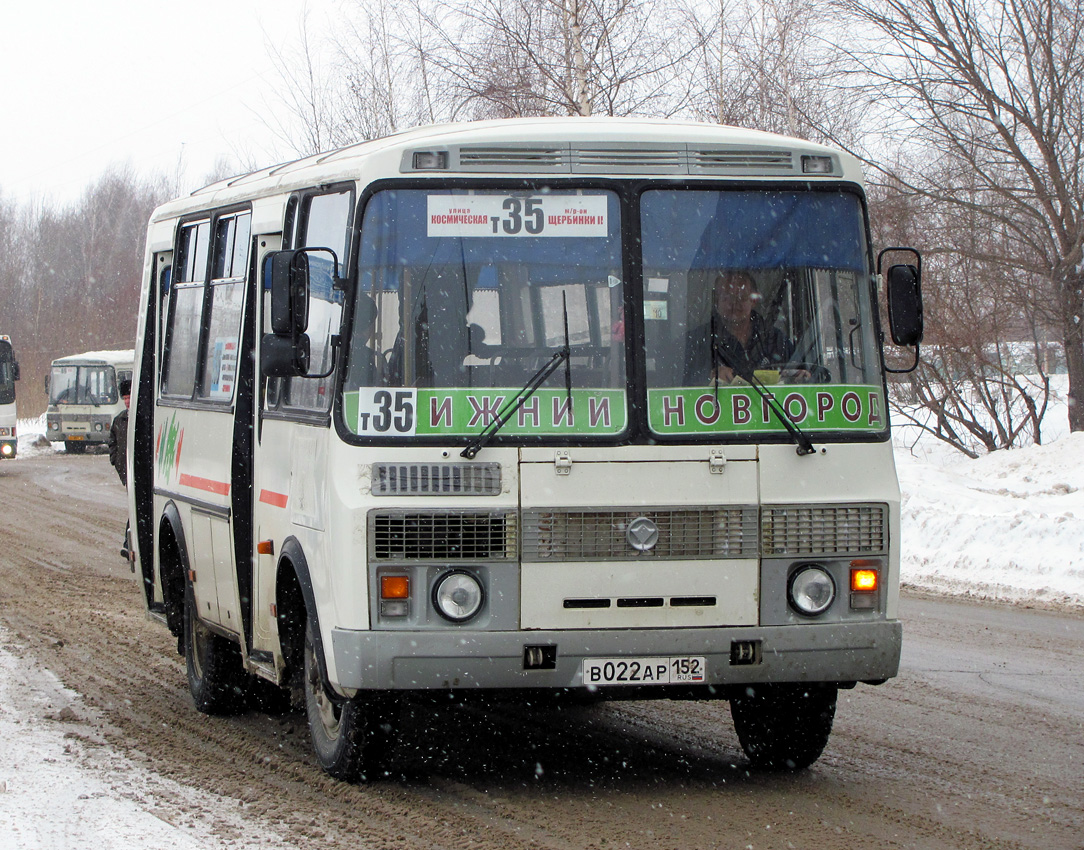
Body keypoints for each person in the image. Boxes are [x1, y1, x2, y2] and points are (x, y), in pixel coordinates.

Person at [684, 270, 798, 385]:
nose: (734, 303)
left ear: (753, 301)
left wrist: (798, 376)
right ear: (716, 302)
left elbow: (798, 377)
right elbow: (680, 385)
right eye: (726, 297)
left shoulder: (776, 340)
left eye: (741, 297)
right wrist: (710, 376)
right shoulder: (698, 341)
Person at [109, 378, 131, 562]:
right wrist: (117, 462)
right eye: (124, 398)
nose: (127, 401)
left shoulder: (143, 417)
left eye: (129, 397)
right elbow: (112, 443)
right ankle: (128, 544)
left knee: (136, 509)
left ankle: (128, 544)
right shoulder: (120, 420)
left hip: (141, 473)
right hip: (127, 474)